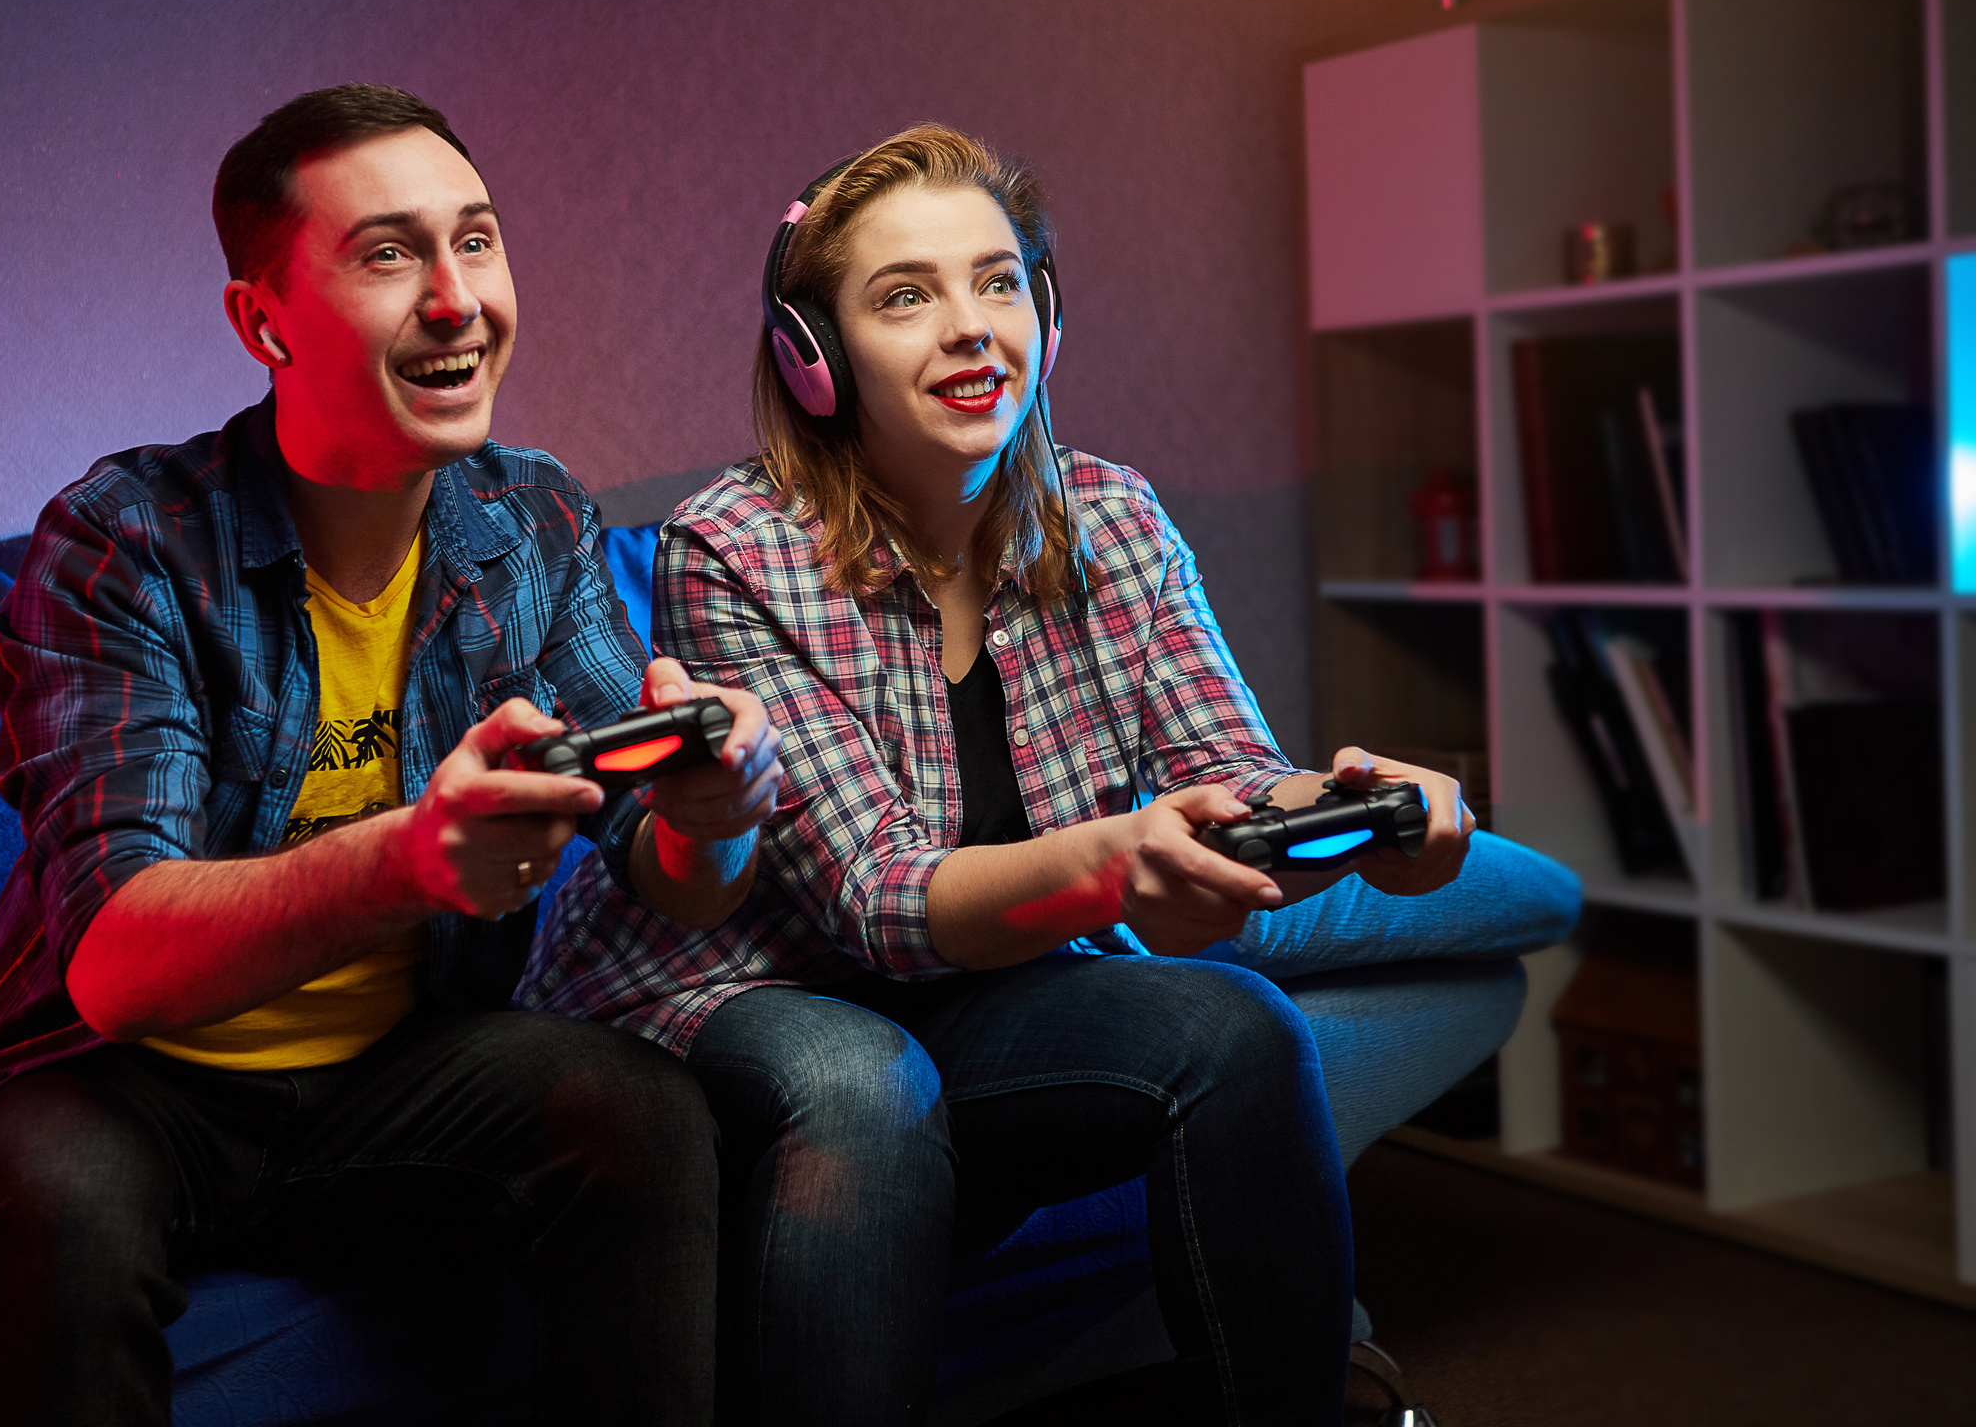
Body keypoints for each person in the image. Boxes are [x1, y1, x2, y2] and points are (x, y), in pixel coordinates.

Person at [526, 123, 1575, 1427]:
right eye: (907, 295)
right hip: (742, 989)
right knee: (862, 1080)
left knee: (1237, 1030)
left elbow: (1224, 766)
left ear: (1049, 315)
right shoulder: (732, 546)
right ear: (815, 361)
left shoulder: (1116, 516)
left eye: (999, 281)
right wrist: (1117, 864)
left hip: (987, 985)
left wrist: (1355, 819)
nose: (971, 326)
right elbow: (879, 901)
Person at [0, 84, 784, 1427]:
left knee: (637, 1112)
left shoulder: (532, 518)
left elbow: (677, 875)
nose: (457, 298)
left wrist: (717, 804)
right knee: (59, 1187)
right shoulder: (128, 539)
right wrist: (405, 860)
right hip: (120, 1082)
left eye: (479, 239)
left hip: (395, 1072)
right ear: (262, 320)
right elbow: (113, 965)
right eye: (389, 254)